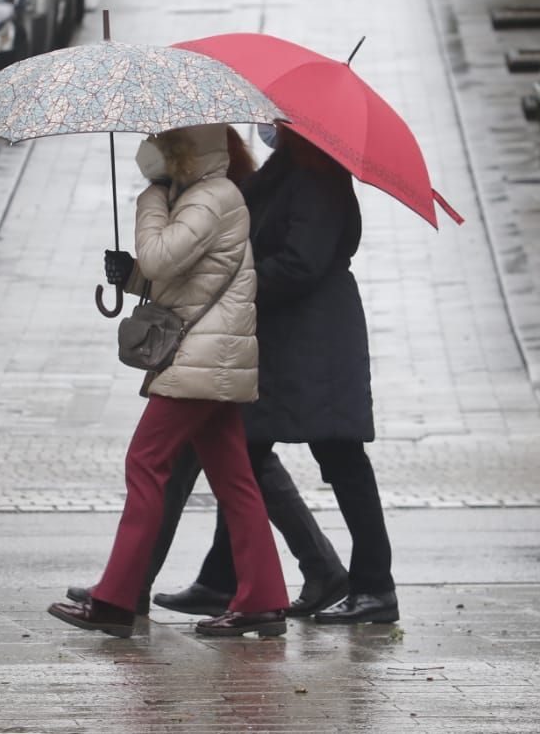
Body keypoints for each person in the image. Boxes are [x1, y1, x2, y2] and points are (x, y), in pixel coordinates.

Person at [64, 127, 349, 618]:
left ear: (181, 151)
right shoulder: (206, 196)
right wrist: (129, 275)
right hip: (211, 356)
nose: (149, 146)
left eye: (160, 140)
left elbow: (159, 255)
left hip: (201, 358)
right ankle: (260, 600)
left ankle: (115, 599)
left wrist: (150, 201)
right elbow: (184, 278)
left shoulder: (209, 199)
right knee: (235, 477)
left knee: (145, 463)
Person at [154, 125, 399, 625]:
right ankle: (221, 579)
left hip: (318, 343)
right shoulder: (287, 174)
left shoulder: (318, 181)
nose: (271, 129)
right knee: (242, 452)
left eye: (282, 124)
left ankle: (375, 587)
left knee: (342, 460)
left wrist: (236, 284)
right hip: (290, 340)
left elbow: (300, 263)